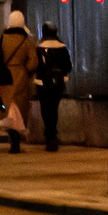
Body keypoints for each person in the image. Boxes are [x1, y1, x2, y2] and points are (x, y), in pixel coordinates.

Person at [0, 11, 39, 153]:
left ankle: (11, 136)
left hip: (4, 78)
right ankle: (16, 140)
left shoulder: (1, 39)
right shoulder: (26, 41)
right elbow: (33, 62)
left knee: (8, 108)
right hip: (20, 77)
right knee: (19, 109)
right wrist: (25, 71)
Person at [37, 22, 72, 152]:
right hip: (58, 84)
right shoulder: (62, 48)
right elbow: (68, 67)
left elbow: (36, 66)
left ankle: (49, 135)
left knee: (45, 109)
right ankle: (53, 134)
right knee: (54, 108)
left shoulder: (39, 48)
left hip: (42, 84)